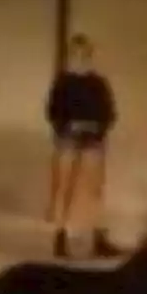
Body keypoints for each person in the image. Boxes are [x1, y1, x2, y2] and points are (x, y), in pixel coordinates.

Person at [43, 34, 120, 259]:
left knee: (93, 190)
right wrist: (67, 126)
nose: (81, 57)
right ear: (70, 55)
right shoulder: (62, 82)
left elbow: (109, 112)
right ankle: (59, 237)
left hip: (94, 140)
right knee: (63, 188)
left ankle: (96, 237)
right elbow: (52, 111)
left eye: (85, 53)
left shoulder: (98, 83)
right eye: (76, 53)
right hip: (67, 139)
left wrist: (98, 127)